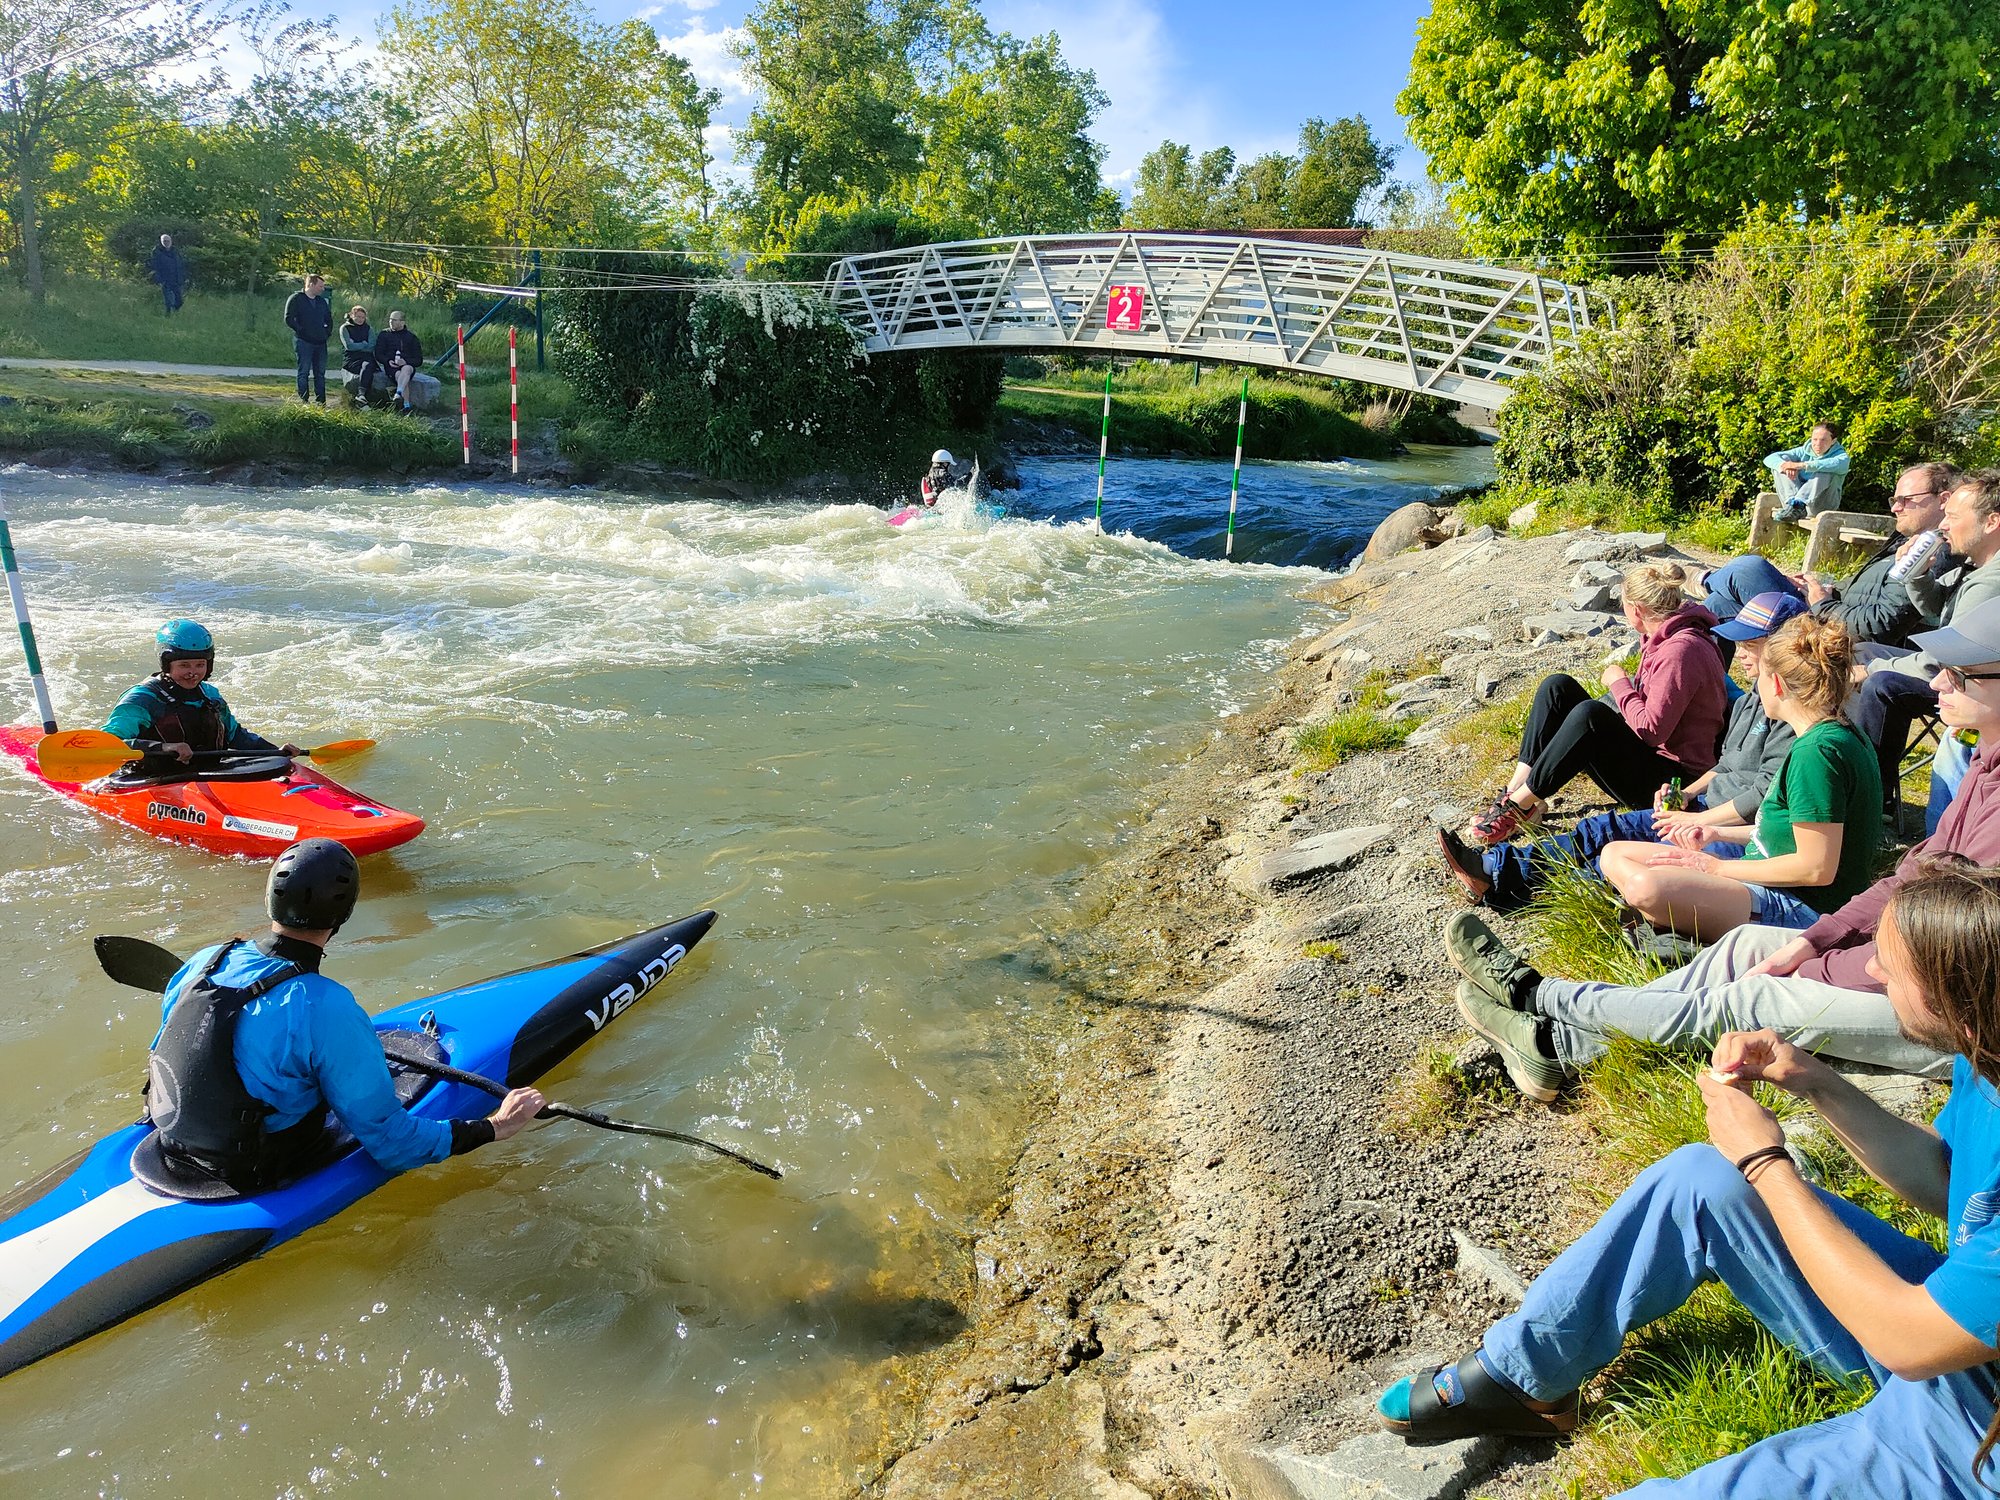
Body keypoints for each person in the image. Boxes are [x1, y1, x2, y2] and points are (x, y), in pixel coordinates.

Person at [1379, 861, 2000, 1500]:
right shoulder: (1987, 1058)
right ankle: (1517, 1382)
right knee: (1702, 1179)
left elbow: (1908, 1340)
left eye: (1892, 970)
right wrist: (1814, 1082)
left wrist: (1766, 1163)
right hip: (1955, 1330)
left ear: (1963, 994)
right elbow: (1945, 1175)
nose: (1871, 973)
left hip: (1974, 1429)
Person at [1443, 596, 2000, 1101]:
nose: (1937, 685)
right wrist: (1811, 939)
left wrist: (1823, 952)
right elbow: (1909, 881)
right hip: (1879, 943)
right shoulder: (1977, 767)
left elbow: (1837, 874)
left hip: (1921, 988)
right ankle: (1556, 1040)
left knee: (1739, 990)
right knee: (1735, 941)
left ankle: (1540, 999)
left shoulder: (1821, 750)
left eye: (1960, 674)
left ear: (1779, 682)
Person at [147, 838, 546, 1192]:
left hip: (173, 1140)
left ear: (270, 897)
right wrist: (496, 1127)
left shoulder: (205, 961)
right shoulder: (324, 1004)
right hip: (253, 1165)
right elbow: (395, 1146)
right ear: (344, 913)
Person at [1440, 591, 1806, 912]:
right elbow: (1725, 763)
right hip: (1698, 800)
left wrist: (1699, 821)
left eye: (1750, 644)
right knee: (1602, 828)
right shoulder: (1753, 701)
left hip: (1717, 817)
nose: (1739, 653)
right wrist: (1685, 794)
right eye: (1738, 644)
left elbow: (1763, 794)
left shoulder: (1790, 717)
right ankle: (1493, 865)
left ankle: (1507, 876)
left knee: (1613, 846)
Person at [1595, 614, 1880, 940]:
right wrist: (1714, 832)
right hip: (1765, 877)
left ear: (1776, 684)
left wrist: (1716, 868)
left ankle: (1672, 916)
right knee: (1614, 854)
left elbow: (1815, 868)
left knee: (1645, 888)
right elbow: (1782, 834)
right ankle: (1675, 916)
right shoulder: (1837, 732)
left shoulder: (1817, 754)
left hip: (1800, 906)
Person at [1464, 563, 1727, 846]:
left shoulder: (1680, 651)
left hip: (1672, 782)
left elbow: (1652, 731)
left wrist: (1619, 683)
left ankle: (1517, 808)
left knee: (1590, 716)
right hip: (1655, 757)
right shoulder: (1666, 636)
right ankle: (1518, 790)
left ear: (1636, 609)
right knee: (1557, 687)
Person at [1852, 470, 2000, 811]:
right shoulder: (1974, 567)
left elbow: (1945, 660)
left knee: (1881, 682)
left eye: (1952, 517)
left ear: (1991, 522)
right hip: (1956, 673)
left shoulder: (1991, 584)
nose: (1943, 526)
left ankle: (1873, 802)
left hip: (1969, 688)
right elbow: (1938, 610)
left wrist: (1871, 669)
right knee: (1859, 651)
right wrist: (1916, 573)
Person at [1695, 462, 1956, 652]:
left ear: (1943, 500)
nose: (1895, 507)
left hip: (1830, 633)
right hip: (1824, 611)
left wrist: (1823, 603)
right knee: (1721, 606)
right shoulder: (1908, 541)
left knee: (1748, 569)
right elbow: (1862, 593)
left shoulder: (1932, 554)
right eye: (1894, 499)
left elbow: (1878, 628)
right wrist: (1819, 585)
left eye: (1906, 499)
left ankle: (1704, 580)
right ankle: (1715, 703)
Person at [104, 620, 303, 774]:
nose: (193, 672)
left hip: (208, 775)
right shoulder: (142, 699)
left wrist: (275, 751)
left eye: (200, 664)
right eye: (184, 665)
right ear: (167, 664)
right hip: (154, 778)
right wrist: (164, 747)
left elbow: (235, 735)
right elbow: (111, 743)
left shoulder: (209, 695)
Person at [1766, 421, 1850, 521]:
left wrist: (1801, 465)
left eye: (1823, 440)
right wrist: (1785, 465)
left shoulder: (1841, 456)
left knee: (1825, 469)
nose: (1818, 444)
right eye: (1815, 439)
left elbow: (1836, 464)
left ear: (1833, 441)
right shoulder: (1803, 451)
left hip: (1821, 507)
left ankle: (1799, 504)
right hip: (1793, 507)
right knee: (1782, 463)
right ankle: (1794, 506)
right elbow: (1769, 459)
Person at [284, 273, 334, 405]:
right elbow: (289, 318)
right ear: (311, 284)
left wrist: (326, 333)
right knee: (304, 371)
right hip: (303, 341)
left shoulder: (321, 302)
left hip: (320, 342)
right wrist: (301, 330)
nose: (322, 289)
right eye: (320, 286)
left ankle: (321, 401)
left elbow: (329, 319)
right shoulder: (296, 299)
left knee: (320, 373)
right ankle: (304, 399)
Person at [374, 310, 423, 414]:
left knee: (406, 369)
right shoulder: (384, 334)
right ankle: (406, 405)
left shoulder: (411, 337)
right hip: (391, 366)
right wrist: (388, 361)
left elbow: (419, 360)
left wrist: (405, 361)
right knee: (399, 375)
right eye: (390, 319)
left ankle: (398, 393)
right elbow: (378, 354)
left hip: (407, 365)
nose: (391, 322)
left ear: (402, 322)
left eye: (394, 320)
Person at [339, 305, 381, 404]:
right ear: (352, 316)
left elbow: (371, 346)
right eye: (358, 317)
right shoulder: (345, 328)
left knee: (367, 367)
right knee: (362, 368)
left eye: (363, 317)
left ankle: (361, 394)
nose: (360, 319)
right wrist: (363, 344)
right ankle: (361, 397)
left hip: (366, 356)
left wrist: (357, 344)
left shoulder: (368, 329)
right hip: (351, 357)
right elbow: (349, 346)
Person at [150, 233, 185, 317]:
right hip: (165, 279)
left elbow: (180, 265)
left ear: (171, 241)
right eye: (164, 241)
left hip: (176, 279)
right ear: (161, 242)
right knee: (168, 300)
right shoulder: (157, 252)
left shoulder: (175, 252)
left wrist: (182, 277)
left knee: (179, 300)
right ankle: (168, 315)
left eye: (168, 241)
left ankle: (176, 312)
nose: (166, 242)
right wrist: (158, 278)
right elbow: (154, 266)